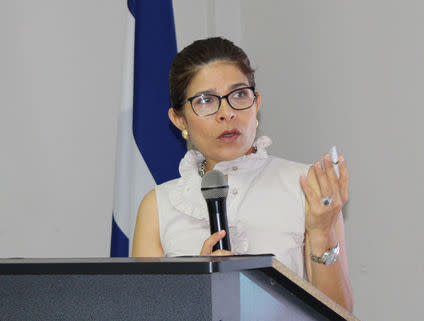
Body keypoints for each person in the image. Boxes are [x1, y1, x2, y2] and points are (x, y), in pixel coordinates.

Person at [132, 37, 353, 312]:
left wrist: (322, 234)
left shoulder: (307, 186)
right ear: (179, 120)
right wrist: (196, 289)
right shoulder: (158, 205)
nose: (226, 113)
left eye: (238, 95)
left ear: (256, 103)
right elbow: (143, 314)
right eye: (206, 100)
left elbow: (340, 313)